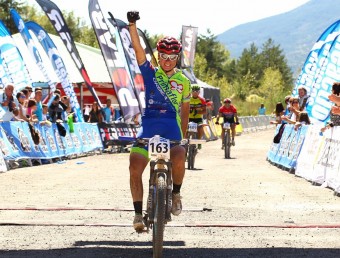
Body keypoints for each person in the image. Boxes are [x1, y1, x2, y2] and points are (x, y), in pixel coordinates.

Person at [127, 11, 191, 232]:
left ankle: (175, 194)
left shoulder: (184, 81)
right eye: (163, 56)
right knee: (134, 165)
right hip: (149, 126)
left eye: (172, 57)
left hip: (171, 128)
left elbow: (185, 111)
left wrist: (183, 137)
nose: (167, 61)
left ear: (178, 58)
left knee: (181, 155)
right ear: (158, 55)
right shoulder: (150, 73)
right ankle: (137, 214)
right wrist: (132, 25)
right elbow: (137, 51)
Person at [188, 84, 206, 148]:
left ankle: (199, 141)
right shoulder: (188, 99)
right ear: (191, 91)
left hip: (198, 118)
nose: (195, 92)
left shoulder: (202, 100)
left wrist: (199, 111)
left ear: (199, 92)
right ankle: (184, 142)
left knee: (200, 128)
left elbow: (204, 111)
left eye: (196, 91)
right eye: (193, 91)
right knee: (184, 129)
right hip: (189, 118)